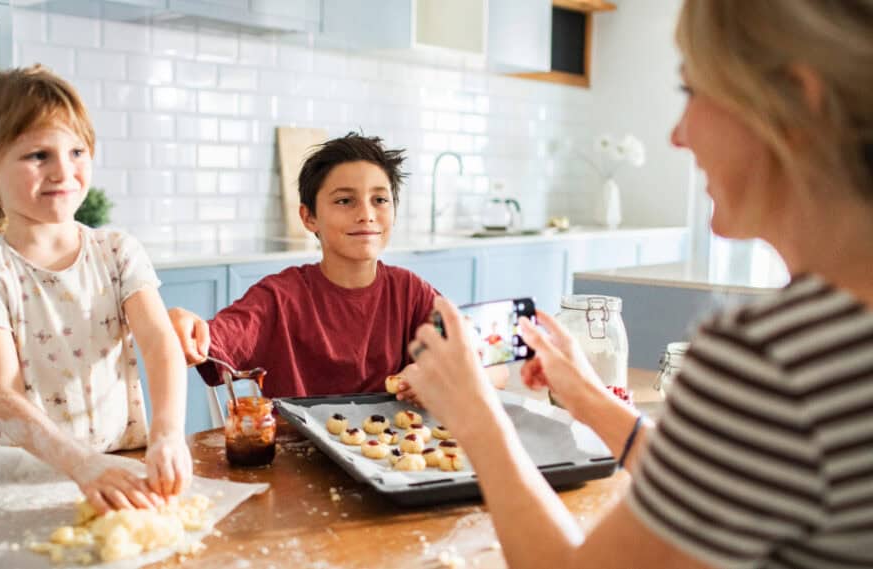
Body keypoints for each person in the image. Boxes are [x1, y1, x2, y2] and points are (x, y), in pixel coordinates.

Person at [403, 1, 873, 567]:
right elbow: (716, 484)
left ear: (797, 103)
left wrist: (477, 416)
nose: (678, 136)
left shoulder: (774, 359)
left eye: (691, 91)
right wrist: (584, 395)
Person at [0, 65, 192, 514]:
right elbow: (4, 397)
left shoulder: (117, 252)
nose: (63, 171)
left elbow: (159, 345)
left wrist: (167, 434)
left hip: (117, 466)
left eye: (77, 151)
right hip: (17, 486)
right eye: (38, 155)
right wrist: (82, 463)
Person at [169, 133, 509, 401]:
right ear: (309, 217)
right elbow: (214, 337)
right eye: (345, 201)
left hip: (393, 462)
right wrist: (186, 327)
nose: (366, 214)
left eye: (380, 199)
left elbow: (496, 369)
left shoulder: (410, 293)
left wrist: (434, 378)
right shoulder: (279, 298)